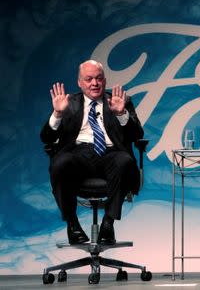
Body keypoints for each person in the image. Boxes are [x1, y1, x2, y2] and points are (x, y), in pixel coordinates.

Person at [40, 60, 144, 245]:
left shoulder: (120, 101)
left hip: (110, 155)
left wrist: (121, 114)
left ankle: (108, 223)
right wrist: (57, 114)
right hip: (78, 156)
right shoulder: (68, 103)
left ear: (104, 81)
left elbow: (137, 134)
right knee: (60, 162)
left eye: (98, 78)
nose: (94, 83)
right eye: (89, 79)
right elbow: (46, 138)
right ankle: (72, 225)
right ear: (80, 82)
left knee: (124, 161)